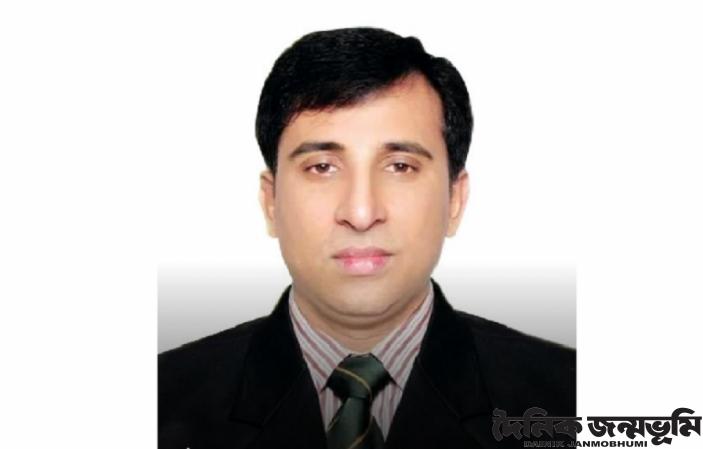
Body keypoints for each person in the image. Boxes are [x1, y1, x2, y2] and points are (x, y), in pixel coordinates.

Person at [158, 27, 576, 449]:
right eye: (322, 167)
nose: (360, 214)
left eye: (400, 166)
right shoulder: (159, 401)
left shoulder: (571, 399)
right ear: (271, 201)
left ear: (455, 199)